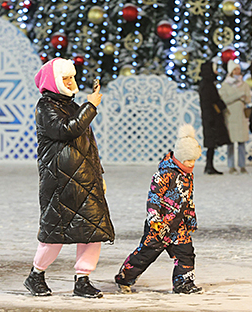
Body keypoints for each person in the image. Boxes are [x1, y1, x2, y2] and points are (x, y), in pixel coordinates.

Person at [24, 58, 115, 298]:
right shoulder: (45, 107)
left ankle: (83, 279)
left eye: (71, 78)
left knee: (91, 231)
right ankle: (36, 275)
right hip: (58, 182)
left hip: (84, 179)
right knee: (55, 232)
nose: (70, 82)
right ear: (53, 82)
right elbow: (66, 130)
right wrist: (91, 106)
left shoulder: (74, 106)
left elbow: (89, 146)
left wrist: (98, 174)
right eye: (65, 79)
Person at [114, 124, 204, 294]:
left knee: (186, 253)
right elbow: (154, 197)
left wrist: (191, 218)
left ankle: (184, 283)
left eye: (194, 160)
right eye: (188, 160)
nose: (191, 164)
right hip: (159, 226)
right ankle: (125, 278)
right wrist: (154, 218)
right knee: (146, 254)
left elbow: (187, 199)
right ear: (178, 157)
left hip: (178, 226)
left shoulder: (187, 175)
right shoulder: (164, 175)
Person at [219, 60, 252, 174]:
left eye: (238, 69)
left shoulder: (244, 84)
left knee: (242, 142)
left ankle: (242, 165)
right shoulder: (225, 85)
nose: (237, 71)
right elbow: (224, 100)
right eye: (235, 69)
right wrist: (238, 95)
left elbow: (248, 98)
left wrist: (244, 98)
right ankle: (231, 165)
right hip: (230, 115)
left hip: (241, 115)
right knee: (230, 142)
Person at [198, 61, 231, 175]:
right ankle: (209, 166)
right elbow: (208, 103)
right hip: (211, 118)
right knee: (211, 142)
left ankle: (209, 165)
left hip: (210, 117)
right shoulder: (207, 85)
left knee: (212, 143)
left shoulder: (207, 84)